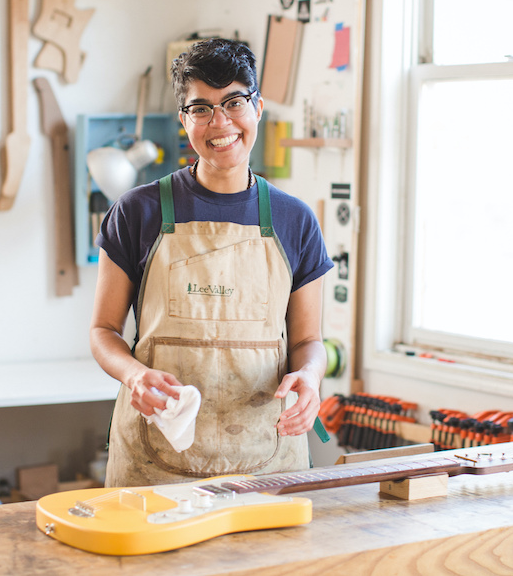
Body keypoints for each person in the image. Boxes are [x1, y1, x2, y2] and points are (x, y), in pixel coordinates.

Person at [91, 38, 333, 487]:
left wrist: (311, 376)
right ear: (185, 120)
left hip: (267, 458)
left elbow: (309, 341)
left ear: (258, 108)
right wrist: (135, 376)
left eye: (234, 102)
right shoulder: (136, 211)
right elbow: (103, 332)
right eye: (201, 108)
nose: (220, 122)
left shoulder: (294, 219)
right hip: (154, 461)